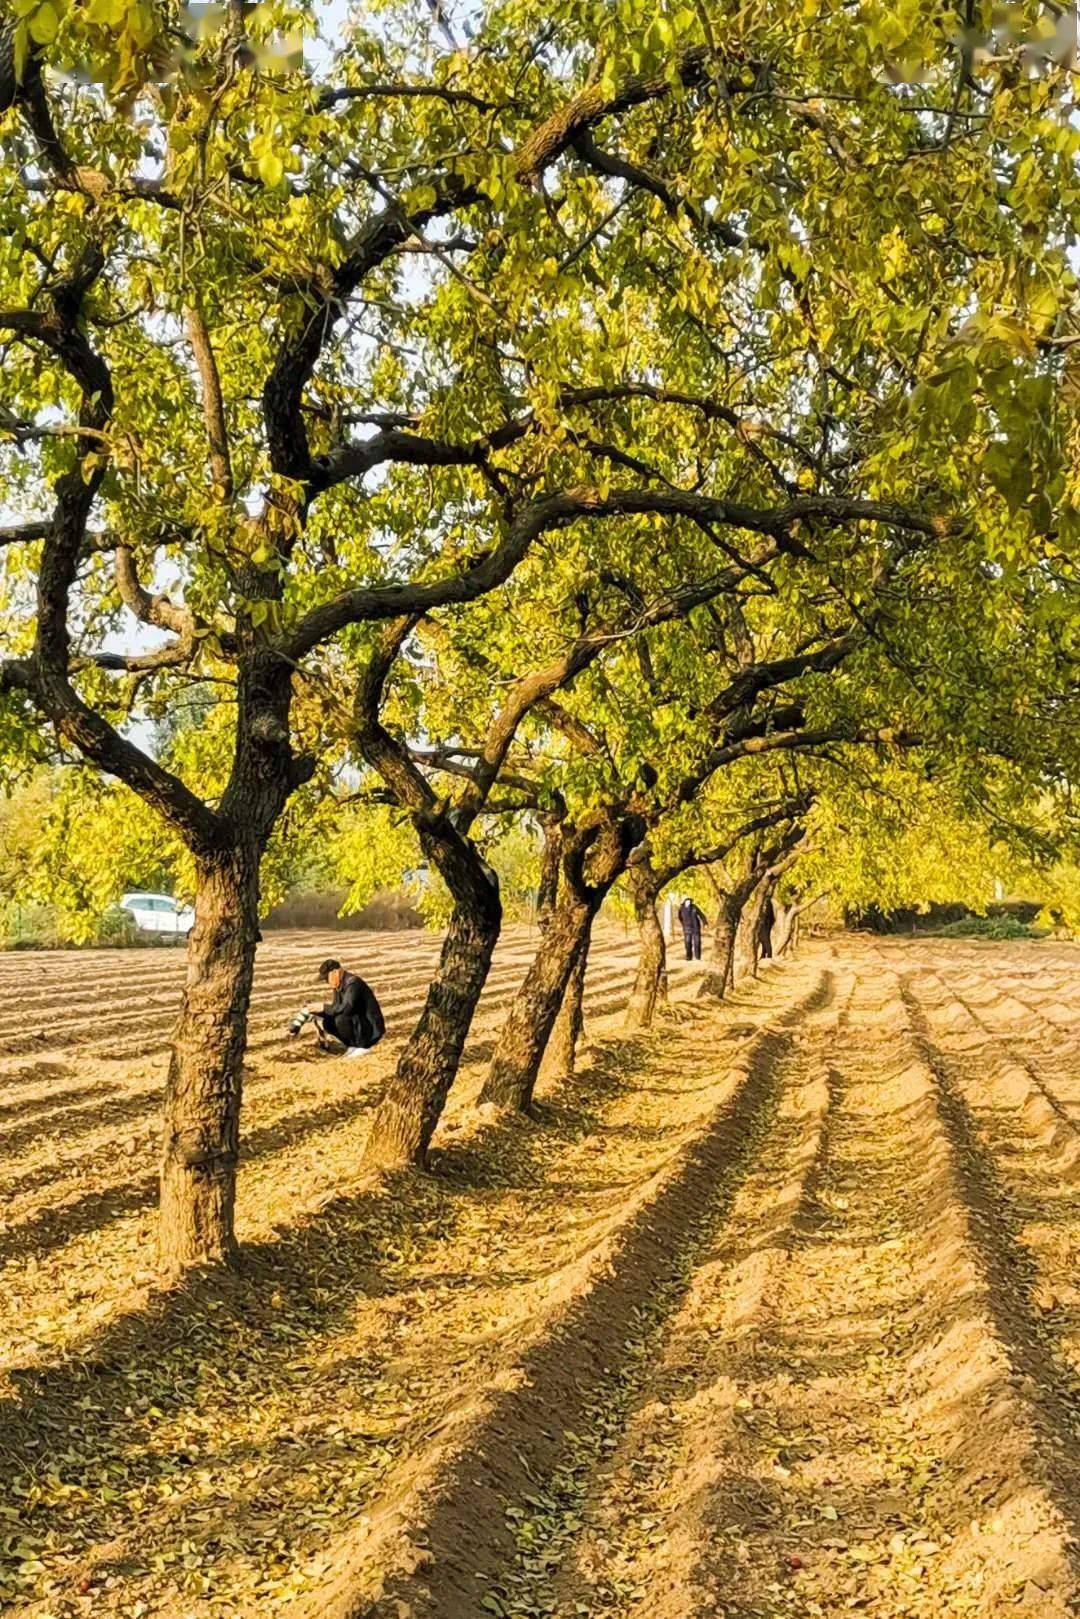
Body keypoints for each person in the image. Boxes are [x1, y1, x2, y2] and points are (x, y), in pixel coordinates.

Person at [306, 958, 385, 1058]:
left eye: (327, 978)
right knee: (328, 1022)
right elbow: (335, 1008)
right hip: (357, 1023)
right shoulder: (338, 985)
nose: (326, 982)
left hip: (369, 1027)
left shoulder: (353, 983)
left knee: (340, 1019)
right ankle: (352, 1046)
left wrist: (323, 1008)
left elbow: (346, 1008)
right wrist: (317, 1012)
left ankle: (363, 1047)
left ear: (335, 972)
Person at [678, 896, 707, 961]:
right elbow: (679, 917)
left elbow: (701, 914)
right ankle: (688, 957)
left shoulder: (694, 907)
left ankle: (697, 957)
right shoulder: (681, 908)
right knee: (688, 942)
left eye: (690, 900)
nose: (689, 902)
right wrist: (683, 924)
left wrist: (705, 923)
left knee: (697, 942)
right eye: (687, 900)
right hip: (687, 928)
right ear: (684, 901)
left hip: (696, 927)